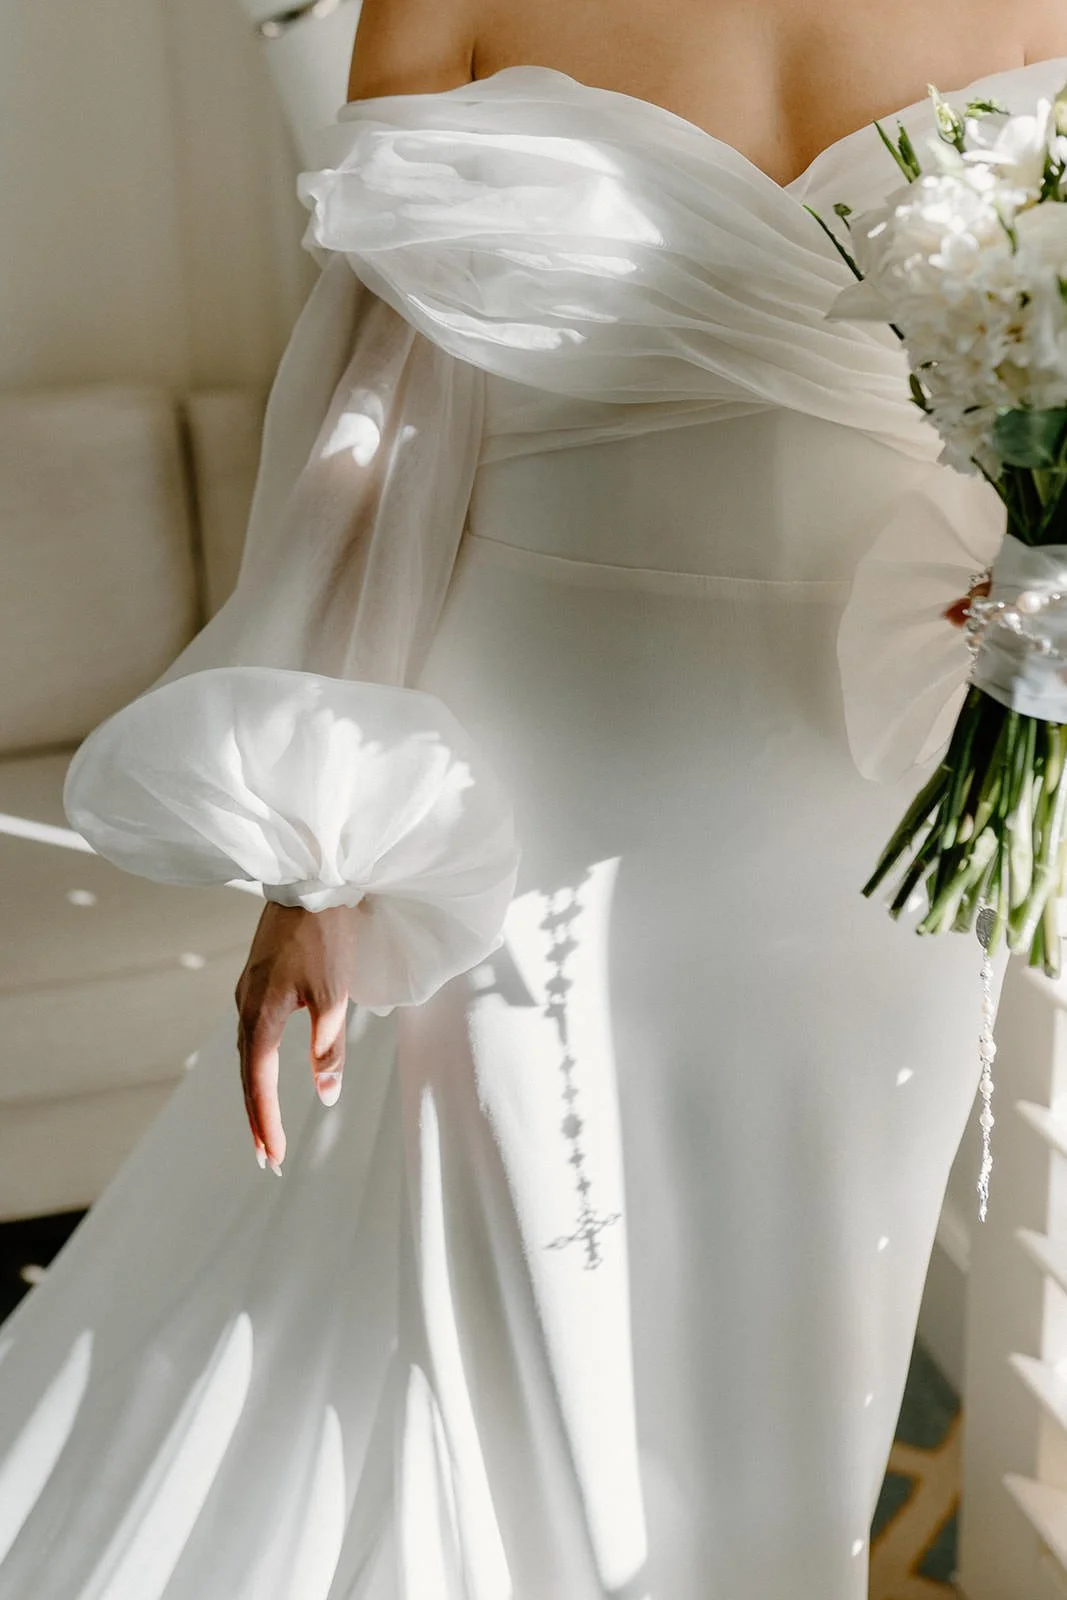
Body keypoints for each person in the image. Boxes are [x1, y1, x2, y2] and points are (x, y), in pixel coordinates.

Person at [1, 5, 1065, 1596]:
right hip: (516, 760)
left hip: (869, 800)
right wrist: (319, 854)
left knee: (798, 1317)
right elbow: (372, 439)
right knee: (512, 1278)